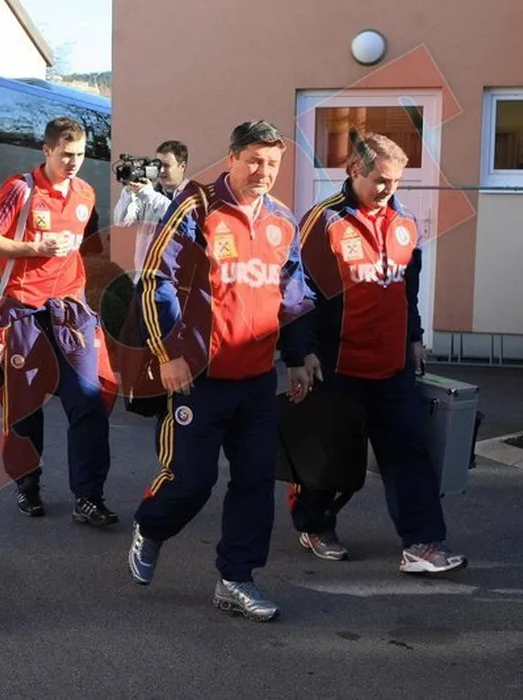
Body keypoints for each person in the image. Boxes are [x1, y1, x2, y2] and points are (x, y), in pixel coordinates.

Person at [126, 120, 314, 622]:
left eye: (272, 163)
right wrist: (168, 354)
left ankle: (236, 578)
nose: (263, 171)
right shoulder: (197, 208)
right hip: (200, 377)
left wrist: (298, 356)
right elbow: (156, 281)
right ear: (231, 158)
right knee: (192, 481)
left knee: (254, 481)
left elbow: (293, 294)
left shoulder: (282, 220)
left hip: (257, 380)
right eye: (254, 160)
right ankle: (152, 526)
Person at [287, 131, 468, 575]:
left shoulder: (405, 222)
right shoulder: (324, 222)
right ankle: (314, 524)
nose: (389, 189)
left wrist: (414, 338)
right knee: (332, 458)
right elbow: (299, 294)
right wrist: (303, 351)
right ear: (355, 171)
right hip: (337, 366)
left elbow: (408, 290)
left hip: (392, 367)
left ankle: (422, 543)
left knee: (409, 452)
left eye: (397, 181)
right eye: (381, 180)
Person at [0, 116, 119, 525]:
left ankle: (88, 497)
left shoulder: (86, 192)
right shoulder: (20, 189)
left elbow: (84, 246)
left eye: (80, 154)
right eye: (65, 154)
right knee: (24, 407)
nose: (73, 162)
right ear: (47, 151)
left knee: (89, 399)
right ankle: (28, 484)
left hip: (69, 310)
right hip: (24, 311)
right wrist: (35, 246)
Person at [113, 140, 190, 283]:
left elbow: (179, 219)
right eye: (158, 165)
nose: (161, 171)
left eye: (166, 165)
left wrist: (148, 194)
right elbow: (121, 221)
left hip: (175, 285)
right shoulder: (149, 193)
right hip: (144, 281)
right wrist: (129, 191)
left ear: (182, 166)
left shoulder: (192, 195)